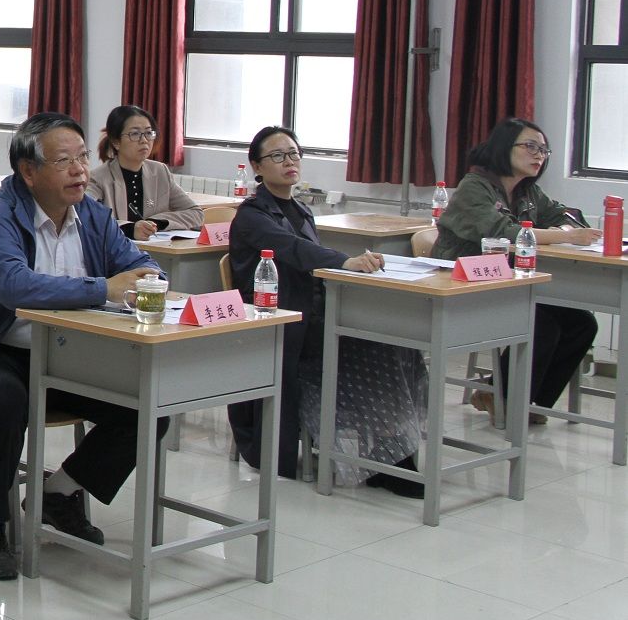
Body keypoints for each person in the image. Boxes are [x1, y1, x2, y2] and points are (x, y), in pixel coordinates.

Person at [0, 112, 166, 581]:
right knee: (3, 399)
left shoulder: (93, 215)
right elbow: (15, 287)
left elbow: (142, 265)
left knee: (148, 406)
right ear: (29, 171)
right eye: (64, 161)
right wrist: (104, 288)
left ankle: (58, 493)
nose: (79, 170)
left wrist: (148, 280)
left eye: (82, 157)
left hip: (71, 356)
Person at [227, 125, 425, 496]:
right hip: (282, 321)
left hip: (314, 314)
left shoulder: (301, 209)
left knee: (397, 342)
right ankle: (388, 458)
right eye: (277, 156)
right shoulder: (251, 215)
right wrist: (345, 261)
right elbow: (295, 251)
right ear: (257, 166)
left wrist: (355, 265)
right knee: (374, 349)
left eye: (294, 153)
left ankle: (389, 449)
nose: (289, 161)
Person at [432, 118, 601, 422]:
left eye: (544, 150)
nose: (539, 155)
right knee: (541, 322)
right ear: (503, 147)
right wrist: (565, 236)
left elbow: (567, 216)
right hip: (462, 285)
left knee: (581, 323)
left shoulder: (527, 192)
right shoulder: (474, 187)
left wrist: (566, 229)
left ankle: (530, 403)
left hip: (506, 285)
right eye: (530, 147)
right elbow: (504, 233)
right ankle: (505, 398)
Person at [86, 105, 203, 239]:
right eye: (135, 134)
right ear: (116, 142)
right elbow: (86, 217)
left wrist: (156, 222)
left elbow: (196, 213)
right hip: (115, 249)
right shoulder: (98, 178)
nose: (144, 140)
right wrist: (129, 229)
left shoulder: (160, 171)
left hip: (157, 247)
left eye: (148, 133)